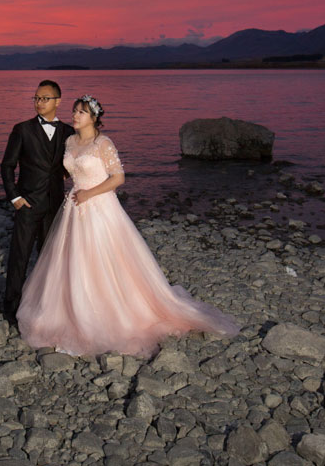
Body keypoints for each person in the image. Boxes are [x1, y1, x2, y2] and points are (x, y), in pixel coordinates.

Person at [17, 94, 239, 357]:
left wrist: (89, 193)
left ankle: (111, 314)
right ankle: (71, 309)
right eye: (75, 111)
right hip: (73, 210)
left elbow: (118, 177)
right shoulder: (70, 141)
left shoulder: (104, 143)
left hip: (99, 207)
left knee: (103, 260)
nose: (75, 116)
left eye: (81, 112)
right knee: (71, 260)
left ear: (94, 118)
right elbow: (69, 170)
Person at [0, 79, 76, 326]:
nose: (39, 103)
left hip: (54, 204)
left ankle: (46, 304)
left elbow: (70, 162)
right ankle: (11, 307)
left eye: (44, 98)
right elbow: (7, 165)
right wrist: (15, 197)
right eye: (36, 98)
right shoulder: (22, 129)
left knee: (49, 257)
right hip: (28, 203)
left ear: (57, 101)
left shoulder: (67, 132)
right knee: (19, 256)